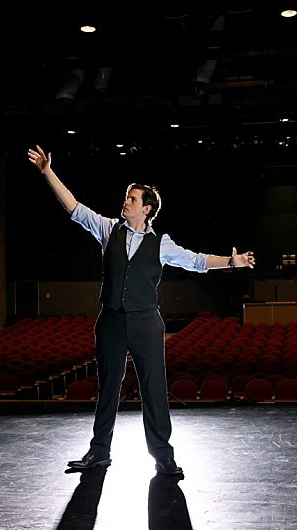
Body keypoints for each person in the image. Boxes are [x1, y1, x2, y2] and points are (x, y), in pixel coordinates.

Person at [27, 145, 256, 479]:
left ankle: (163, 457)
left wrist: (231, 262)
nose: (126, 202)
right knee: (108, 388)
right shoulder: (108, 229)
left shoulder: (161, 243)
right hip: (111, 320)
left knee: (153, 389)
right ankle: (99, 452)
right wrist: (47, 171)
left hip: (146, 322)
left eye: (132, 199)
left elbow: (195, 261)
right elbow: (73, 207)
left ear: (146, 209)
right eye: (126, 197)